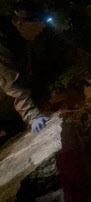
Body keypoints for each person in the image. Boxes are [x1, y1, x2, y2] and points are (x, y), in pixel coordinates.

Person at [0, 2, 50, 135]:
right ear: (21, 23)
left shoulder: (20, 38)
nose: (42, 28)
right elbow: (11, 83)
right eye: (39, 24)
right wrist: (32, 116)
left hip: (10, 109)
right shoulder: (3, 42)